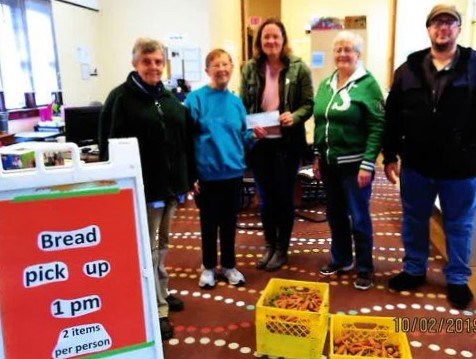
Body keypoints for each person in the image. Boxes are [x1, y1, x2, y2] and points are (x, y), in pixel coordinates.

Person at [98, 37, 194, 339]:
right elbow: (108, 146)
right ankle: (156, 306)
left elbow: (183, 143)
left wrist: (185, 182)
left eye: (157, 61)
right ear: (135, 63)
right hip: (143, 190)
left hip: (170, 190)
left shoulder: (168, 99)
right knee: (148, 251)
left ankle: (161, 291)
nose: (153, 67)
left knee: (161, 247)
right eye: (146, 61)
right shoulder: (120, 99)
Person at [383, 4, 476, 309]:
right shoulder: (408, 69)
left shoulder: (474, 65)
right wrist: (390, 155)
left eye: (450, 22)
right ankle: (413, 270)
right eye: (437, 23)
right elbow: (393, 115)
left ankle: (458, 279)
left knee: (460, 224)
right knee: (414, 219)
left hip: (461, 167)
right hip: (417, 165)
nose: (443, 28)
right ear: (429, 28)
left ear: (458, 29)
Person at [312, 31, 385, 290]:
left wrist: (368, 163)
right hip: (330, 165)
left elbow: (378, 126)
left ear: (358, 54)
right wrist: (318, 155)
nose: (343, 54)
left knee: (359, 216)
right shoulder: (327, 82)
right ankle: (342, 259)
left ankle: (365, 267)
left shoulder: (368, 84)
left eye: (348, 49)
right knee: (335, 215)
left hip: (356, 166)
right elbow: (321, 122)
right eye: (339, 49)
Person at [240, 18, 314, 271]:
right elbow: (244, 104)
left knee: (283, 198)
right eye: (266, 37)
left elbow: (309, 104)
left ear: (283, 40)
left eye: (275, 37)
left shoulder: (299, 68)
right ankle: (269, 244)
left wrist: (295, 116)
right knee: (265, 199)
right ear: (260, 42)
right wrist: (250, 125)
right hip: (260, 145)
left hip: (287, 144)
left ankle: (282, 247)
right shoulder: (250, 68)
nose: (271, 41)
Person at [185, 49, 255, 288]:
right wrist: (191, 175)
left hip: (233, 173)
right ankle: (207, 267)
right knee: (208, 223)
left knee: (228, 223)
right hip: (207, 174)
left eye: (226, 64)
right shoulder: (196, 100)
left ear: (232, 67)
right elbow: (186, 139)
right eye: (216, 65)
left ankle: (228, 266)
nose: (222, 69)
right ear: (207, 70)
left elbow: (244, 136)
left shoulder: (237, 103)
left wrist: (257, 135)